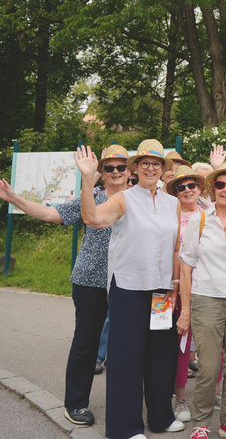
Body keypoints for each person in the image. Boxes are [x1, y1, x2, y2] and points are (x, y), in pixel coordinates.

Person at [0, 144, 130, 427]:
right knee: (87, 342)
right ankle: (76, 404)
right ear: (102, 173)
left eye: (121, 166)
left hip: (128, 283)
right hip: (91, 282)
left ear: (129, 170)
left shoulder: (141, 199)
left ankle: (124, 404)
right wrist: (13, 198)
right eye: (110, 167)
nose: (116, 172)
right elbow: (50, 214)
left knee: (127, 344)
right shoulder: (91, 196)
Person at [74, 139, 184, 438]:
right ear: (135, 167)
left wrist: (175, 286)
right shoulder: (124, 198)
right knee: (126, 359)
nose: (150, 167)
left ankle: (160, 418)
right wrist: (87, 179)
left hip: (162, 291)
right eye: (145, 163)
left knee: (162, 357)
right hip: (129, 288)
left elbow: (176, 249)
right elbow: (92, 218)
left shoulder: (171, 202)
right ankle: (124, 428)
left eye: (156, 163)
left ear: (163, 168)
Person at [178, 161, 226, 439]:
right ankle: (200, 423)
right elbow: (186, 268)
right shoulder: (199, 221)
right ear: (212, 189)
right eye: (220, 184)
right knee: (209, 367)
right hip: (206, 298)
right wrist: (185, 310)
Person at [165, 165, 208, 422]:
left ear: (200, 188)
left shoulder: (208, 214)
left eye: (192, 185)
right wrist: (172, 289)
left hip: (206, 289)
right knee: (179, 345)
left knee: (213, 344)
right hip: (175, 288)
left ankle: (213, 393)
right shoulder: (169, 217)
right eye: (181, 187)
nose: (187, 190)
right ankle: (180, 397)